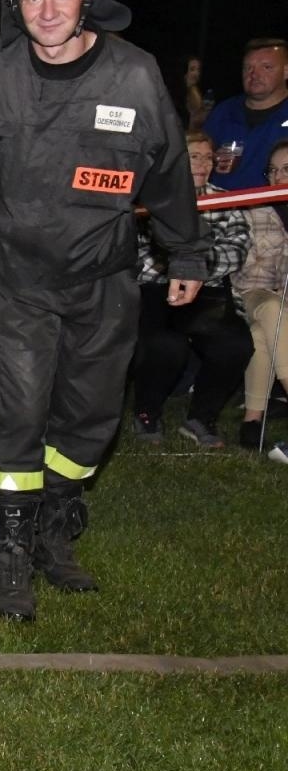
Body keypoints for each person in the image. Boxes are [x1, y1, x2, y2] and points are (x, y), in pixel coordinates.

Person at [0, 0, 206, 621]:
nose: (48, 10)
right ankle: (7, 550)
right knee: (22, 415)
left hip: (105, 280)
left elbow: (168, 168)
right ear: (14, 3)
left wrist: (185, 250)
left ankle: (51, 528)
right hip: (18, 283)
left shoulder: (134, 73)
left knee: (91, 420)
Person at [130, 133, 251, 448]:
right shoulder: (151, 201)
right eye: (194, 156)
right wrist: (194, 259)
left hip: (209, 292)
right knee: (164, 345)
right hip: (156, 291)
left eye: (208, 157)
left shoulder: (227, 200)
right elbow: (140, 256)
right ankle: (147, 413)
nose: (203, 163)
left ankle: (201, 416)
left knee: (235, 344)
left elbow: (236, 251)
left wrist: (189, 265)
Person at [234, 139, 288, 459]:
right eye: (274, 170)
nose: (279, 177)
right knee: (271, 309)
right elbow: (241, 275)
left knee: (262, 333)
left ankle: (252, 421)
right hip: (253, 293)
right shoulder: (254, 208)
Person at [204, 38, 288, 191]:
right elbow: (192, 160)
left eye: (266, 67)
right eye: (248, 68)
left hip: (276, 211)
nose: (254, 74)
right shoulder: (224, 112)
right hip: (219, 208)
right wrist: (210, 159)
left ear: (286, 71)